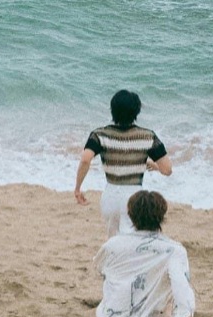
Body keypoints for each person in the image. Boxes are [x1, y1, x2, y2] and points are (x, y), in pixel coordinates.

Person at [92, 190, 200, 317]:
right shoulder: (174, 250)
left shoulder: (113, 246)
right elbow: (181, 287)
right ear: (162, 216)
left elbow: (102, 269)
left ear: (130, 215)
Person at [74, 90, 173, 237]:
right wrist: (154, 165)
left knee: (112, 239)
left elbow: (85, 159)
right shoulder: (148, 136)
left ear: (112, 110)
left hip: (110, 196)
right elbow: (167, 170)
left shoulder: (99, 134)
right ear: (136, 111)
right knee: (133, 239)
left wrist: (78, 188)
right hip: (135, 197)